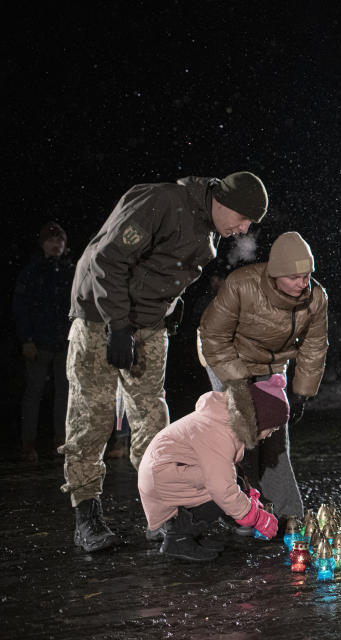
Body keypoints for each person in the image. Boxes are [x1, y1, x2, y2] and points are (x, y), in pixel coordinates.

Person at [61, 171, 269, 553]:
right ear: (222, 202)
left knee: (152, 419)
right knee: (93, 415)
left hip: (149, 325)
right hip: (100, 318)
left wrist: (171, 306)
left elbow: (160, 273)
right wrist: (118, 326)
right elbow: (108, 260)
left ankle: (162, 512)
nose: (242, 230)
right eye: (241, 220)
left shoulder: (206, 236)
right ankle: (86, 515)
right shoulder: (160, 202)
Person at [198, 231, 328, 524]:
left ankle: (285, 513)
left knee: (274, 432)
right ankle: (239, 511)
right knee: (241, 432)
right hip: (226, 354)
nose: (303, 283)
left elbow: (314, 345)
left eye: (307, 275)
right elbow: (214, 336)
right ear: (276, 273)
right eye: (294, 277)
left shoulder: (315, 298)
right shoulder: (242, 285)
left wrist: (302, 392)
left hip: (272, 360)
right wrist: (238, 386)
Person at [137, 374, 286, 561]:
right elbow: (222, 489)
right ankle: (178, 538)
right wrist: (255, 517)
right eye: (271, 430)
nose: (269, 436)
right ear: (259, 421)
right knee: (221, 493)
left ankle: (183, 530)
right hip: (160, 477)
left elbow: (229, 469)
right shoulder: (218, 431)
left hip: (169, 471)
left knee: (229, 483)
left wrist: (247, 494)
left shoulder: (226, 419)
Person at [13, 221, 74, 462]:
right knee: (33, 393)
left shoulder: (71, 270)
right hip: (38, 343)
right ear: (43, 244)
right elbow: (21, 308)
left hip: (65, 342)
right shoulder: (32, 271)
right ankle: (28, 443)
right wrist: (26, 339)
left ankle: (61, 439)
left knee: (65, 393)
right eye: (51, 240)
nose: (55, 244)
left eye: (59, 240)